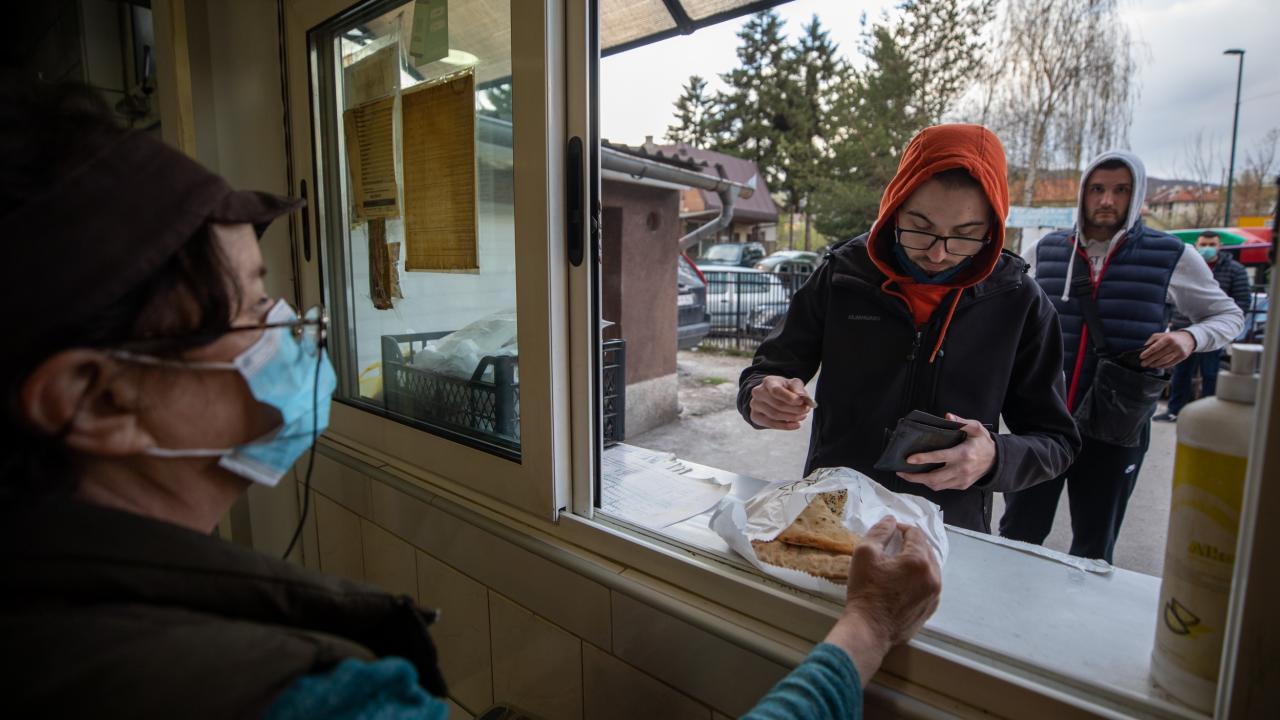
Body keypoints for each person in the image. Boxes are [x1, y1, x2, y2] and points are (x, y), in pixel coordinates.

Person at [0, 80, 940, 719]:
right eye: (252, 308)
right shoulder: (287, 692)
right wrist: (863, 630)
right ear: (96, 397)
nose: (295, 330)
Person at [738, 124, 1080, 533]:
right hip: (833, 514)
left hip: (948, 529)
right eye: (920, 226)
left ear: (992, 229)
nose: (937, 254)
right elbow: (766, 372)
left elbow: (1056, 441)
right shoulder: (842, 276)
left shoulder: (1019, 300)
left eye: (965, 236)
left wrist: (994, 458)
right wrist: (761, 396)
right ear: (894, 208)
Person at [1000, 152, 1245, 563]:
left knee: (1094, 549)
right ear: (1083, 193)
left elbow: (1229, 315)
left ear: (1138, 195)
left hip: (1118, 423)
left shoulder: (1171, 255)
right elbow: (1011, 314)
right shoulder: (1046, 249)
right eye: (1097, 189)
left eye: (1121, 190)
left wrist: (1190, 337)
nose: (1107, 200)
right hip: (1043, 419)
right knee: (1016, 537)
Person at [1154, 230, 1253, 422]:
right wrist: (1171, 320)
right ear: (1197, 245)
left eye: (1212, 244)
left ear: (1220, 246)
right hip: (1181, 329)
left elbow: (1241, 300)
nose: (1207, 248)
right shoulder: (1184, 264)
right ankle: (1175, 411)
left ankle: (1209, 414)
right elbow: (1169, 295)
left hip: (1212, 332)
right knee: (1181, 373)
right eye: (1204, 244)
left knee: (1210, 373)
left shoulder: (1234, 269)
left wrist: (1225, 326)